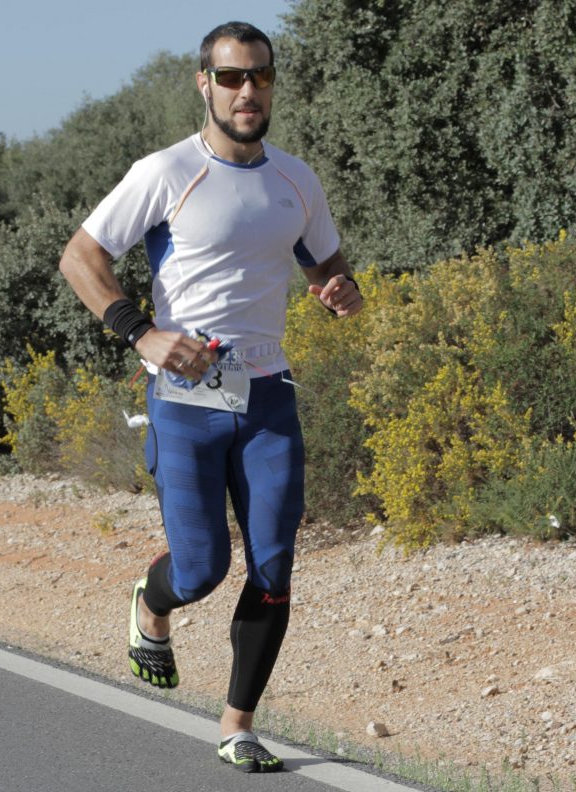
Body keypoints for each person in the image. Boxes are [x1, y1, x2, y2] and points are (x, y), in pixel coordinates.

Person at [58, 20, 362, 774]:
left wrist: (338, 287)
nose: (247, 91)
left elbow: (325, 256)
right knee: (201, 570)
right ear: (205, 84)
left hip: (267, 396)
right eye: (231, 78)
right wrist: (142, 334)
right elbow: (81, 256)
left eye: (259, 76)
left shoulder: (296, 178)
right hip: (187, 400)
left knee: (275, 565)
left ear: (272, 83)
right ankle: (152, 605)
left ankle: (238, 725)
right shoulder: (165, 172)